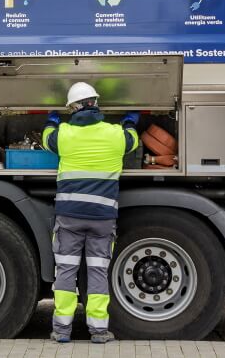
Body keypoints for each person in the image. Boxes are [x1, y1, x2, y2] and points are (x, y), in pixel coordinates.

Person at [42, 82, 139, 344]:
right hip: (103, 218)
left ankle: (62, 331)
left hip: (70, 217)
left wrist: (52, 121)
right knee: (97, 273)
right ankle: (99, 332)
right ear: (96, 103)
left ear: (73, 108)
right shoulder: (115, 134)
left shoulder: (64, 134)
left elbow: (46, 139)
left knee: (66, 272)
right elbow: (132, 141)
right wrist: (130, 122)